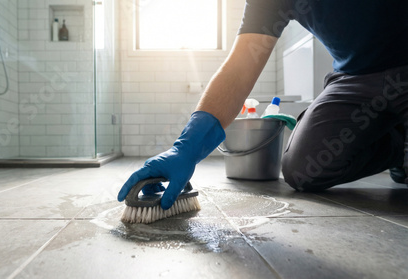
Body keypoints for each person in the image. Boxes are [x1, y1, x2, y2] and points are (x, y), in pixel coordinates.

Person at [118, 0, 408, 209]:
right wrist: (186, 146)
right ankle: (399, 147)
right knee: (304, 169)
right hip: (353, 77)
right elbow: (242, 65)